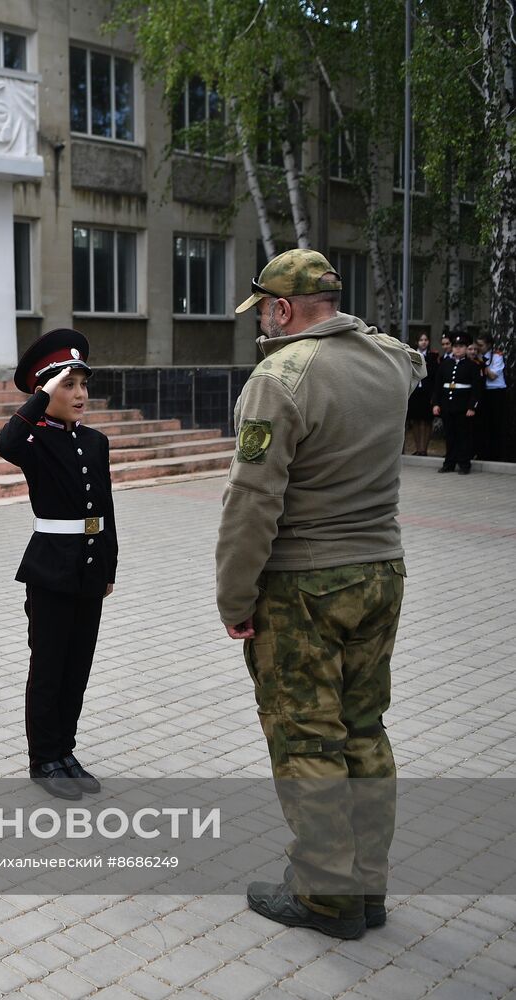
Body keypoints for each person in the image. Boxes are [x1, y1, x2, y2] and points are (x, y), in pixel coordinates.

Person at [218, 249, 423, 939]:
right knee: (364, 729)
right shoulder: (394, 358)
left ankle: (325, 896)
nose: (262, 329)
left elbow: (252, 500)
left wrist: (233, 596)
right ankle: (367, 887)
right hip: (381, 570)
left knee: (307, 738)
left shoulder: (280, 376)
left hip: (303, 583)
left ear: (282, 309)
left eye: (264, 315)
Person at [0, 330, 117, 803]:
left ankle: (65, 751)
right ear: (45, 392)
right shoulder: (33, 442)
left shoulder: (96, 441)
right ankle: (42, 757)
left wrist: (109, 567)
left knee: (77, 667)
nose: (80, 394)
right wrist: (41, 397)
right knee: (48, 667)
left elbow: (105, 508)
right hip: (50, 572)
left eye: (83, 384)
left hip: (89, 570)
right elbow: (5, 443)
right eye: (69, 385)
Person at [432, 334, 484, 474]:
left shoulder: (472, 366)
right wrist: (436, 404)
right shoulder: (445, 364)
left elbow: (476, 389)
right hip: (448, 406)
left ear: (466, 348)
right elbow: (438, 386)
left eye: (461, 347)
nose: (458, 350)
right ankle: (449, 463)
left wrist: (472, 407)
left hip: (463, 407)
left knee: (463, 436)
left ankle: (464, 464)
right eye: (455, 347)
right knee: (449, 436)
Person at [405, 332, 439, 456]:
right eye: (421, 340)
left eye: (425, 340)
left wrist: (434, 396)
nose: (423, 342)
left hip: (427, 393)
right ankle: (418, 448)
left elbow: (435, 376)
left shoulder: (433, 356)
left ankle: (424, 449)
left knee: (426, 420)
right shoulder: (411, 355)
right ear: (417, 342)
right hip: (415, 392)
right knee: (415, 420)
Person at [475, 334, 506, 461]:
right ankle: (483, 453)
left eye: (481, 345)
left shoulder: (497, 356)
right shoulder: (477, 356)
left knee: (496, 424)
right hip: (484, 392)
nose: (479, 348)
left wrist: (483, 363)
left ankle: (496, 454)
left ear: (488, 345)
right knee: (483, 424)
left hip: (496, 392)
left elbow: (492, 376)